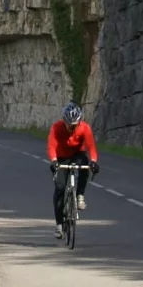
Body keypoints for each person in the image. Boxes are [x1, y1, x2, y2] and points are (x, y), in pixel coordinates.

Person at [46, 102, 99, 238]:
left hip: (77, 155)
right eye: (69, 125)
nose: (72, 128)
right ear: (64, 121)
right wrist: (54, 161)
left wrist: (93, 161)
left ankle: (80, 195)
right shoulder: (56, 128)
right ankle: (59, 225)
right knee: (59, 188)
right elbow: (51, 146)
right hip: (61, 157)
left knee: (84, 165)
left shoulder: (84, 128)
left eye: (75, 125)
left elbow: (91, 146)